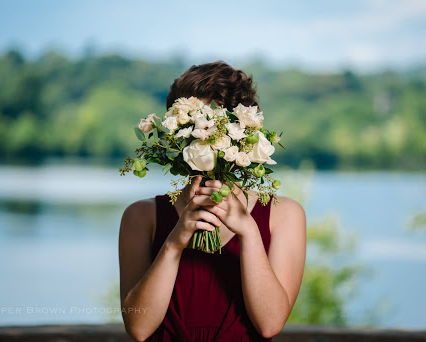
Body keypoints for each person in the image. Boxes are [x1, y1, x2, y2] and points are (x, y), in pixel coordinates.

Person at [118, 61, 307, 342]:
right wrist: (173, 243)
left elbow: (270, 324)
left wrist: (249, 231)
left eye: (214, 130)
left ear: (243, 136)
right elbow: (138, 328)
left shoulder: (285, 215)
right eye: (193, 129)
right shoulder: (141, 216)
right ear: (174, 138)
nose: (204, 140)